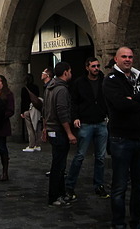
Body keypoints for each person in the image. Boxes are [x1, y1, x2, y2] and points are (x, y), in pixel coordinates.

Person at [103, 47, 140, 229]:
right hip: (121, 138)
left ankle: (138, 220)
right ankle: (118, 223)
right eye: (124, 57)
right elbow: (120, 104)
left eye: (130, 56)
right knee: (120, 185)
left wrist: (133, 99)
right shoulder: (110, 80)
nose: (128, 59)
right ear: (116, 59)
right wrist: (139, 101)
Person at [66, 57, 109, 200]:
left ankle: (99, 185)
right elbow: (74, 102)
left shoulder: (104, 81)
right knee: (80, 156)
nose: (96, 68)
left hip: (101, 122)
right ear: (87, 67)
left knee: (101, 157)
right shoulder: (80, 83)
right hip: (86, 123)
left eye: (97, 66)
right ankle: (70, 186)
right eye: (93, 66)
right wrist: (76, 117)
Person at [43, 62, 77, 206]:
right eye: (70, 71)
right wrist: (69, 132)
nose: (71, 74)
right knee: (59, 165)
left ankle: (60, 193)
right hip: (59, 130)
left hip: (51, 129)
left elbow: (45, 109)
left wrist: (45, 128)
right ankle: (55, 196)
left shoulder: (49, 87)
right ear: (65, 72)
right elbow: (62, 112)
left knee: (58, 163)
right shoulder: (61, 89)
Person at [20, 73, 41, 152]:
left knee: (30, 128)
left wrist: (22, 112)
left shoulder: (24, 88)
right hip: (36, 109)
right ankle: (38, 144)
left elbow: (23, 101)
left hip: (28, 110)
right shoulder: (36, 87)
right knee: (37, 127)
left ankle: (31, 145)